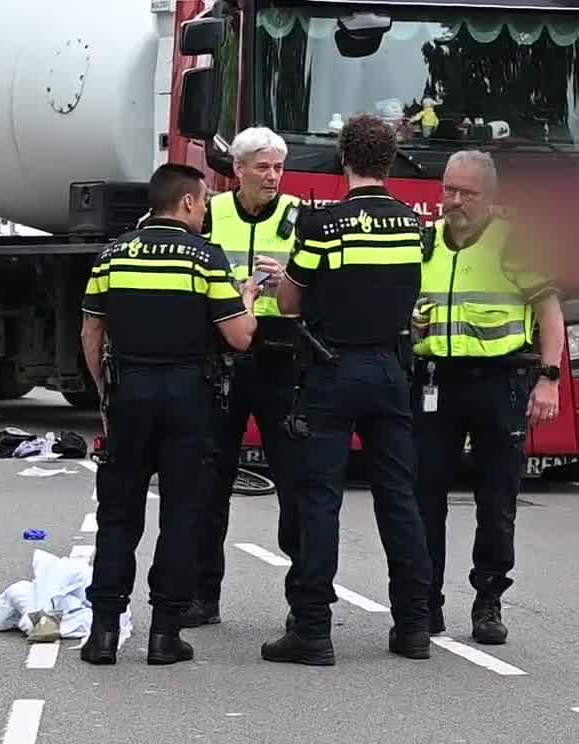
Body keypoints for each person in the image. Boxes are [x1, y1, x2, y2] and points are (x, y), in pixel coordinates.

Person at [79, 163, 261, 667]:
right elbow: (240, 336)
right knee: (182, 514)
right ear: (186, 203)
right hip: (188, 398)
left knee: (118, 515)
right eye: (203, 202)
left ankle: (103, 635)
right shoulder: (206, 259)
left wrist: (104, 394)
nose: (205, 211)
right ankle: (164, 635)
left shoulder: (112, 256)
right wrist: (245, 297)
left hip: (128, 395)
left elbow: (91, 334)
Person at [267, 113, 431, 665]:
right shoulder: (413, 227)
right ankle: (413, 626)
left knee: (320, 502)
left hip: (332, 372)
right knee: (399, 500)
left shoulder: (322, 226)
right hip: (391, 370)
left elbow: (290, 305)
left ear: (344, 159)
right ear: (388, 161)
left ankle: (312, 630)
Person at [411, 151, 564, 645]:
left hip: (499, 383)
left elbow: (550, 311)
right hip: (435, 382)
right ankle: (424, 602)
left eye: (466, 193)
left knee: (496, 499)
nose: (454, 201)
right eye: (448, 189)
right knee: (423, 498)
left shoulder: (511, 242)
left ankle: (488, 601)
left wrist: (550, 378)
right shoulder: (425, 242)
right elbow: (404, 302)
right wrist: (409, 323)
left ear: (490, 197)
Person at [188, 127, 305, 629]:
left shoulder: (301, 215)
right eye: (262, 167)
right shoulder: (209, 214)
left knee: (296, 483)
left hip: (281, 359)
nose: (273, 176)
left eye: (278, 167)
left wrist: (291, 281)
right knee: (208, 480)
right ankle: (200, 596)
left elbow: (324, 286)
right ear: (237, 170)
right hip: (220, 360)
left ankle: (304, 603)